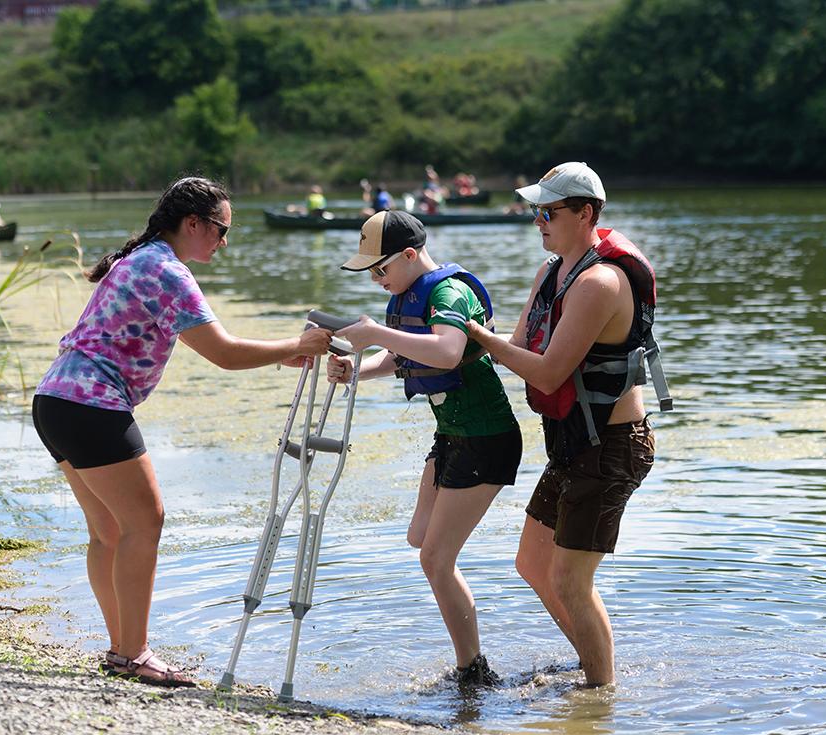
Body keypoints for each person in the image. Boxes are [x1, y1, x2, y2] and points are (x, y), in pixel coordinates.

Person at [31, 176, 332, 687]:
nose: (224, 242)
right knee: (146, 522)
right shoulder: (167, 271)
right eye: (220, 230)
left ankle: (121, 650)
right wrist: (298, 343)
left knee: (108, 532)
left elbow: (221, 349)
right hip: (91, 405)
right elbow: (225, 353)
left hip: (55, 401)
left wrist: (287, 352)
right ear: (192, 224)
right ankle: (134, 654)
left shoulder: (141, 258)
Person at [464, 162, 666, 687]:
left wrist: (481, 340)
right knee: (533, 563)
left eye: (549, 212)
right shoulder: (553, 272)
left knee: (571, 580)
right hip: (575, 445)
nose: (539, 221)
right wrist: (450, 339)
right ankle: (594, 666)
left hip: (612, 446)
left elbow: (550, 372)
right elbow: (515, 345)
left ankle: (600, 700)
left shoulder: (600, 283)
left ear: (586, 213)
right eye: (536, 211)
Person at [327, 210, 522, 687]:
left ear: (410, 255)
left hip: (486, 435)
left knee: (435, 559)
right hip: (452, 433)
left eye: (380, 269)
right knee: (421, 539)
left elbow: (447, 352)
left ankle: (472, 670)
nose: (376, 280)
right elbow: (404, 355)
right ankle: (473, 646)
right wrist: (356, 370)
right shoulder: (410, 296)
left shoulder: (447, 292)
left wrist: (372, 332)